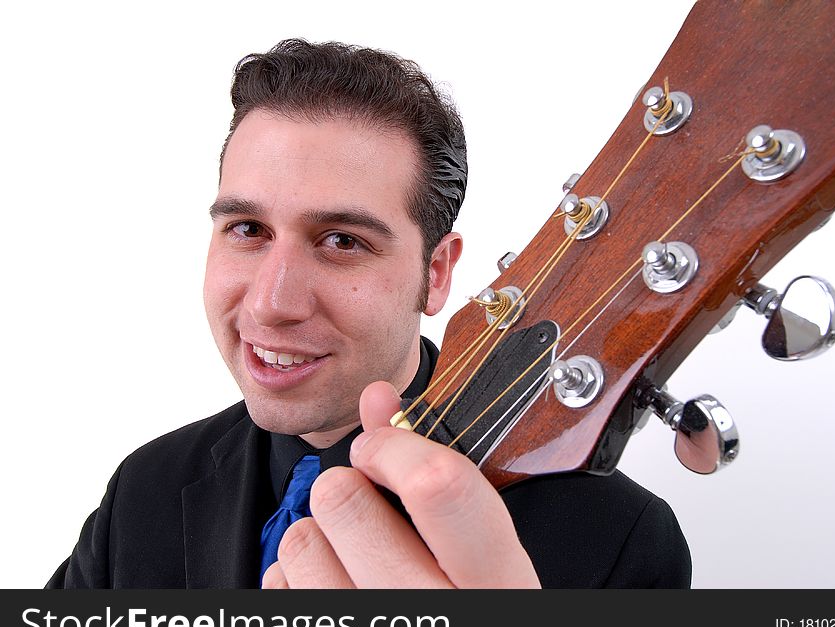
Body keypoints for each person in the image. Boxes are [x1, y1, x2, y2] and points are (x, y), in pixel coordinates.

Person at [48, 38, 691, 589]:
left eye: (342, 241)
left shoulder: (620, 541)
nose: (273, 304)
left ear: (434, 274)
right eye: (247, 229)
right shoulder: (145, 489)